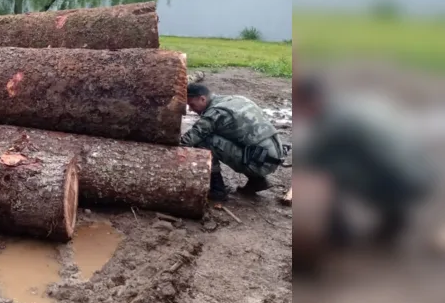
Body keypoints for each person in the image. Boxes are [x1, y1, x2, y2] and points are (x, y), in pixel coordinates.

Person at [294, 75, 436, 249]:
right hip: (423, 172)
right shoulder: (353, 104)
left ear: (310, 101)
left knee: (329, 169)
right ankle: (394, 215)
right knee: (350, 160)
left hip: (406, 180)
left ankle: (339, 232)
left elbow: (313, 157)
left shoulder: (335, 121)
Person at [181, 83, 284, 201]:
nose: (190, 109)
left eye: (191, 105)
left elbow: (190, 139)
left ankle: (217, 189)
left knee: (204, 140)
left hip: (260, 162)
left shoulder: (216, 112)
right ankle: (257, 181)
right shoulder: (234, 99)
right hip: (272, 155)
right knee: (221, 134)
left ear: (202, 99)